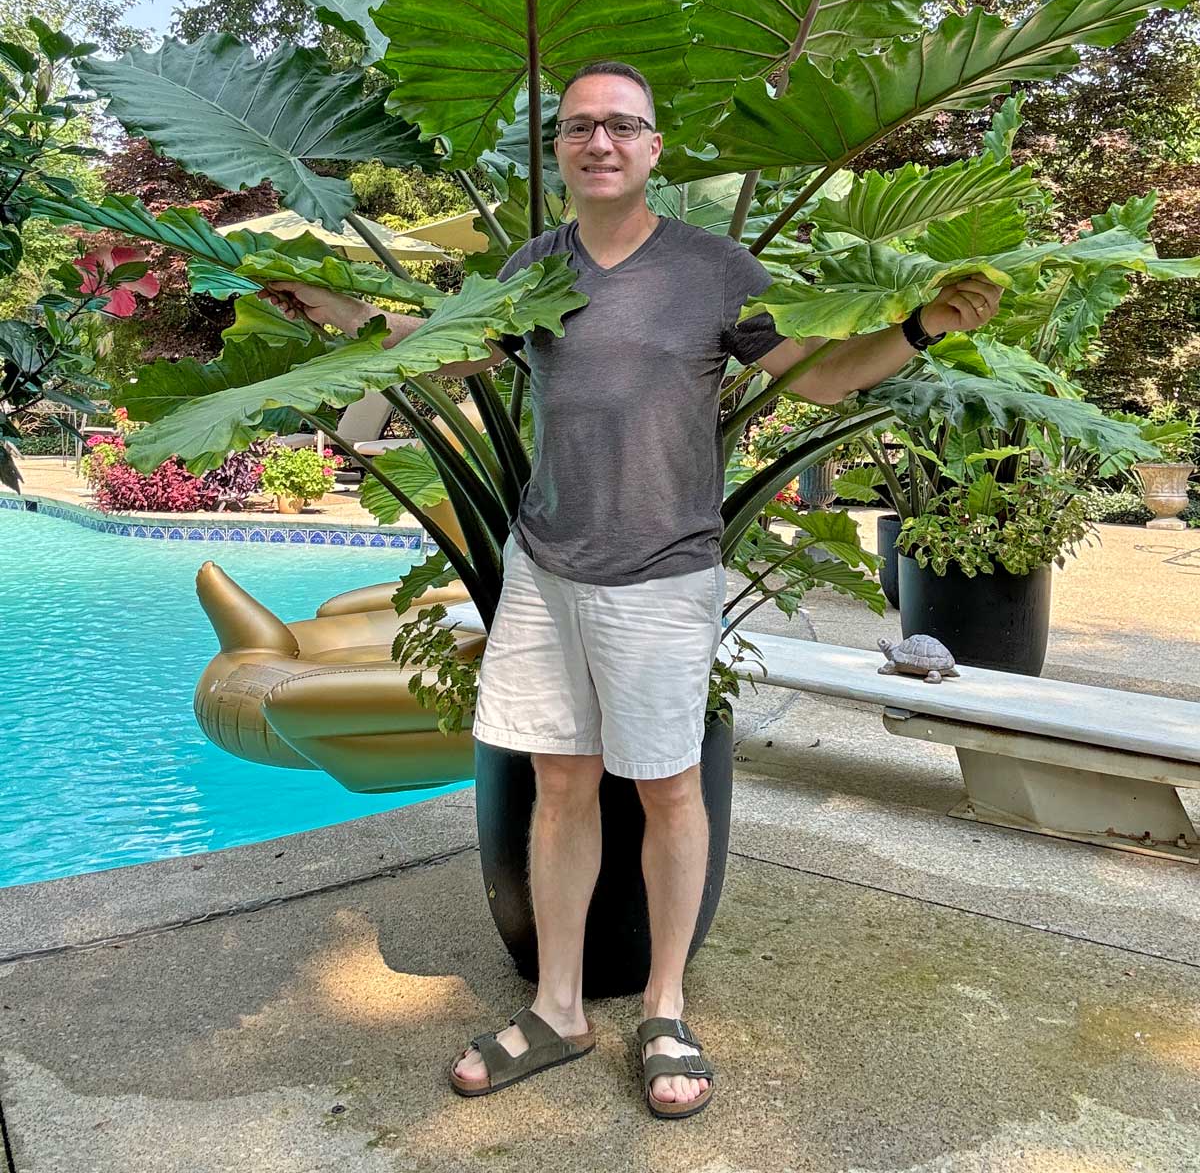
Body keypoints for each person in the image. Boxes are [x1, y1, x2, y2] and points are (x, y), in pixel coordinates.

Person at [262, 60, 1002, 1120]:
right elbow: (447, 353)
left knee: (667, 791)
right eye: (578, 128)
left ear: (654, 147)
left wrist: (925, 325)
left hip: (662, 578)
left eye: (622, 126)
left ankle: (663, 1004)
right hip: (547, 567)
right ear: (557, 150)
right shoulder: (532, 267)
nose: (599, 142)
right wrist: (343, 310)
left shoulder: (712, 269)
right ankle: (560, 1006)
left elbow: (820, 375)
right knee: (560, 785)